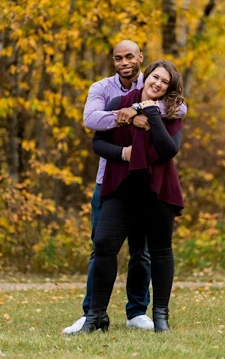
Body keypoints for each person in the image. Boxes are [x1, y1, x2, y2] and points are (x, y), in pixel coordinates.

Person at [63, 41, 187, 334]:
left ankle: (156, 316)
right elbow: (97, 138)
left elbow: (169, 149)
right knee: (104, 244)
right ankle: (94, 316)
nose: (157, 82)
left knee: (155, 251)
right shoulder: (116, 100)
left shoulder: (169, 109)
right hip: (119, 185)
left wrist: (151, 113)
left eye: (164, 81)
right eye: (155, 77)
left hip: (157, 189)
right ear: (147, 74)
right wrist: (126, 141)